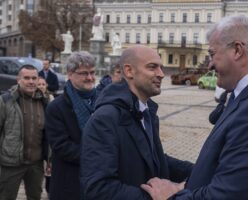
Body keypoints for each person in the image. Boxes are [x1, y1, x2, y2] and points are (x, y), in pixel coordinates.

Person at [142, 15, 248, 200]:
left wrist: (170, 196)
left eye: (212, 54)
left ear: (237, 50)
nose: (210, 64)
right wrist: (189, 185)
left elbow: (227, 195)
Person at [81, 45, 193, 200]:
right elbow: (98, 188)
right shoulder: (105, 119)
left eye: (161, 67)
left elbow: (154, 159)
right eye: (152, 67)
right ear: (129, 71)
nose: (161, 74)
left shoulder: (148, 112)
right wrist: (156, 197)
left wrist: (197, 170)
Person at [45, 51, 97, 200]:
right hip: (70, 181)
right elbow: (61, 146)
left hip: (99, 179)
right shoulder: (56, 107)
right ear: (70, 74)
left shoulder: (102, 101)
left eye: (92, 72)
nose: (90, 77)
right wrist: (97, 156)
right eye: (84, 73)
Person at [0, 65, 49, 200]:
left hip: (36, 164)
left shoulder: (44, 102)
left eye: (34, 78)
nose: (31, 81)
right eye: (26, 78)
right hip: (11, 164)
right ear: (18, 80)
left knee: (35, 197)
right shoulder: (6, 101)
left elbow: (48, 135)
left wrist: (49, 158)